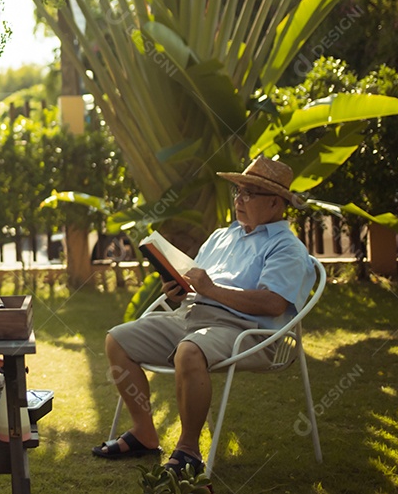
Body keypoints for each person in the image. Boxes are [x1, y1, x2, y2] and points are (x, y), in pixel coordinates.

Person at [92, 156, 317, 474]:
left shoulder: (286, 248)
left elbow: (273, 304)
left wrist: (210, 291)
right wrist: (179, 288)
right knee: (117, 339)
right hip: (192, 316)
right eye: (238, 191)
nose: (239, 199)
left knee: (190, 350)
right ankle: (144, 432)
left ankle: (187, 450)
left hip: (248, 331)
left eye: (250, 193)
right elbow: (198, 282)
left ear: (275, 204)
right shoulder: (222, 237)